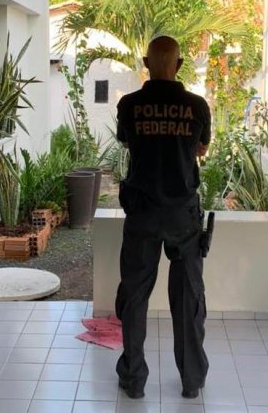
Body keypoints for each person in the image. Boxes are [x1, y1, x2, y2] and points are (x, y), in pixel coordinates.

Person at [115, 35, 211, 400]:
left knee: (135, 297)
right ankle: (191, 381)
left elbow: (127, 141)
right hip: (182, 216)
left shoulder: (129, 105)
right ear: (180, 65)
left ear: (146, 63)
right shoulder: (197, 106)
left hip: (142, 213)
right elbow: (201, 148)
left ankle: (133, 380)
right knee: (189, 300)